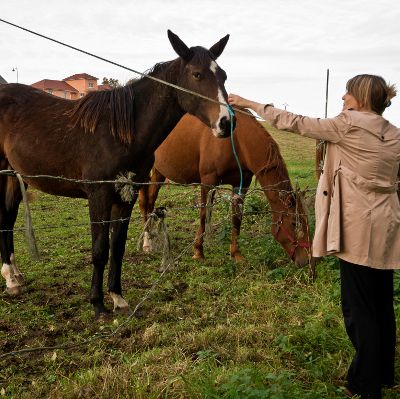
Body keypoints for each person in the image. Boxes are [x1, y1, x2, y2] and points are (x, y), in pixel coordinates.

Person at [229, 74, 399, 399]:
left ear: (361, 98)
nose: (342, 98)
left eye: (348, 93)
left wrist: (248, 103)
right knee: (381, 303)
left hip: (358, 229)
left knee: (358, 308)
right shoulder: (393, 133)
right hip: (389, 225)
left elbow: (293, 122)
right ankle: (386, 376)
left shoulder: (348, 124)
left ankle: (364, 385)